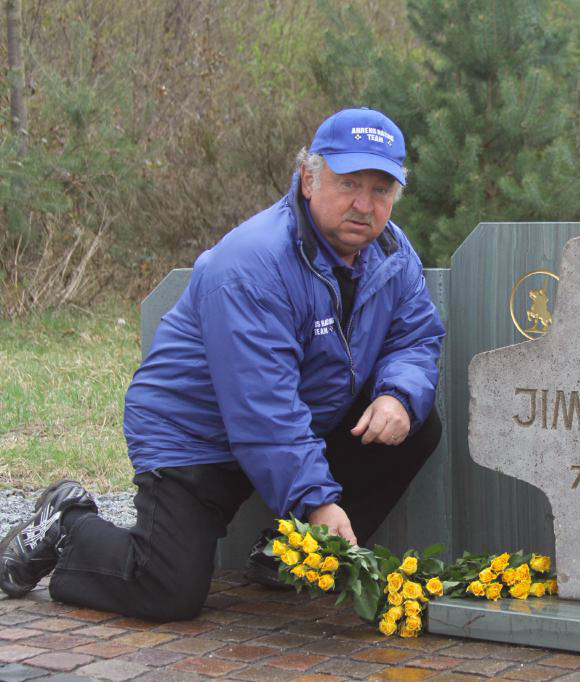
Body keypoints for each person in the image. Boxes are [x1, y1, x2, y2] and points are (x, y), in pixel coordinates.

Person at [0, 108, 445, 621]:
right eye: (348, 184)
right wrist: (317, 505)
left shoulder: (391, 252)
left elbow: (415, 335)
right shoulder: (253, 264)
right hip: (195, 435)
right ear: (308, 178)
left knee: (414, 424)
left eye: (381, 189)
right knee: (165, 593)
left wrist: (398, 394)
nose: (364, 205)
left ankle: (287, 553)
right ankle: (66, 522)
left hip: (295, 422)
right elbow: (262, 408)